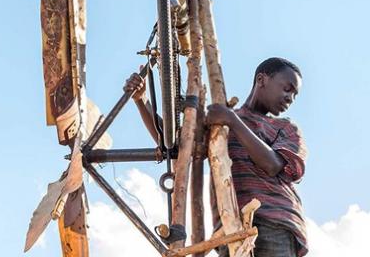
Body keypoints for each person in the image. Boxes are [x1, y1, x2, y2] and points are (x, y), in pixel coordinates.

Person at [124, 57, 308, 257]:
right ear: (261, 80)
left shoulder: (286, 128)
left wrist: (232, 120)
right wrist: (141, 100)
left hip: (274, 222)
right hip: (228, 226)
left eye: (295, 95)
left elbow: (272, 165)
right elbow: (179, 146)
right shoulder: (219, 123)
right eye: (287, 88)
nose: (290, 98)